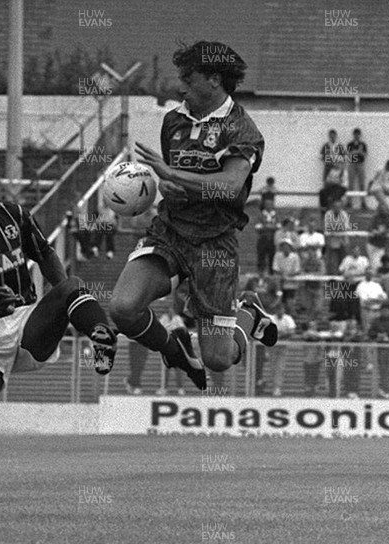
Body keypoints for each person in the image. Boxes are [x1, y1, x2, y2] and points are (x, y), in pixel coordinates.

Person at [0, 157, 117, 513]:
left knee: (71, 286)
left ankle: (100, 335)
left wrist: (64, 299)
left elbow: (45, 253)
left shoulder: (12, 215)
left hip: (26, 321)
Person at [110, 40, 277, 392]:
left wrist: (170, 176)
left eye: (189, 77)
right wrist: (168, 187)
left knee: (218, 359)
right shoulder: (173, 121)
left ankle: (249, 314)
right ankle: (174, 350)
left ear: (214, 79)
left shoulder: (241, 129)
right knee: (122, 308)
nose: (180, 85)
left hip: (214, 245)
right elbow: (182, 176)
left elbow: (230, 187)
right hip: (169, 233)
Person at [367, 305, 389, 399]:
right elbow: (370, 333)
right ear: (380, 311)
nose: (385, 312)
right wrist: (378, 334)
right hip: (379, 349)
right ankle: (385, 389)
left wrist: (388, 335)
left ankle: (384, 388)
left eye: (386, 311)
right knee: (383, 369)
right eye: (383, 311)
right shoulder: (376, 321)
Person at [157, 306, 188, 396]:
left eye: (172, 310)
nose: (170, 311)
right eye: (169, 309)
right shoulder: (163, 319)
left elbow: (183, 330)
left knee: (178, 369)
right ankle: (164, 388)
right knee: (165, 369)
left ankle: (180, 388)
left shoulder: (177, 319)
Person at [269, 303, 296, 397]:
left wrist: (280, 334)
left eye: (282, 310)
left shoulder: (288, 318)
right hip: (272, 346)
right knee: (273, 367)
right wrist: (282, 333)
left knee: (280, 367)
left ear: (284, 310)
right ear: (276, 311)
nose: (280, 311)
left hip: (283, 346)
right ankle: (274, 386)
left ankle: (277, 387)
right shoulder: (271, 318)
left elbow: (292, 331)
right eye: (278, 310)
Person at [272, 240, 301, 315]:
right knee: (281, 301)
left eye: (287, 246)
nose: (285, 248)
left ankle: (291, 316)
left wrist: (288, 275)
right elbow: (275, 268)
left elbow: (297, 270)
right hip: (280, 283)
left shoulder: (295, 256)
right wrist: (283, 275)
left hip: (291, 283)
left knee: (290, 302)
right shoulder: (277, 255)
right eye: (283, 247)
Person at [324, 198, 351, 275]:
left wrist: (334, 228)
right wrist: (338, 227)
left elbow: (346, 227)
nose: (337, 209)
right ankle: (334, 280)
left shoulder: (344, 214)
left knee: (344, 261)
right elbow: (327, 228)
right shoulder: (328, 214)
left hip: (343, 241)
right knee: (333, 262)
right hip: (332, 242)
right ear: (332, 207)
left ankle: (343, 279)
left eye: (339, 207)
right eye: (335, 207)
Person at [366, 203, 389, 273]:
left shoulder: (388, 218)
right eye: (381, 210)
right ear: (379, 210)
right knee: (374, 265)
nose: (383, 211)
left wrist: (384, 232)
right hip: (372, 245)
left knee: (380, 264)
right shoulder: (375, 217)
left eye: (384, 209)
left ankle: (378, 279)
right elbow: (369, 228)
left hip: (381, 246)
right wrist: (375, 231)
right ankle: (373, 280)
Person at [346, 128, 368, 209]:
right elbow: (348, 155)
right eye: (355, 134)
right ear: (353, 135)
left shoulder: (363, 144)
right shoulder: (350, 144)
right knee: (350, 184)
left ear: (360, 135)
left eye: (358, 134)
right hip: (352, 164)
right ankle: (349, 202)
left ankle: (363, 202)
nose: (356, 136)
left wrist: (356, 151)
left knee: (362, 184)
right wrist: (358, 151)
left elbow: (364, 155)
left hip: (360, 164)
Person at [255, 198, 278, 275]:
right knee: (261, 257)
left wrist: (266, 226)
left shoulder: (276, 215)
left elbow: (279, 226)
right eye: (267, 204)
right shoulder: (261, 215)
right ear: (264, 205)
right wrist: (270, 227)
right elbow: (257, 227)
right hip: (263, 239)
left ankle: (271, 274)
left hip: (273, 239)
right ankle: (261, 274)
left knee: (272, 257)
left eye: (270, 204)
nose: (269, 206)